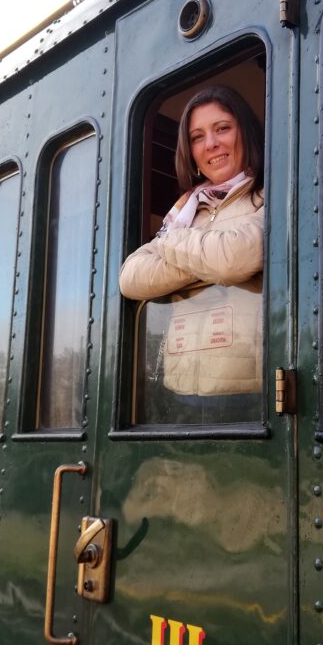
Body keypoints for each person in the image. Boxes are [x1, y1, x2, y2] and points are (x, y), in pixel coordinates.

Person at [119, 84, 264, 415]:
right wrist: (207, 260)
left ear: (246, 133)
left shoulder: (268, 194)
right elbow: (131, 277)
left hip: (245, 394)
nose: (211, 143)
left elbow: (231, 260)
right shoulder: (187, 211)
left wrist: (166, 244)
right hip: (180, 391)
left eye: (223, 128)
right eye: (197, 137)